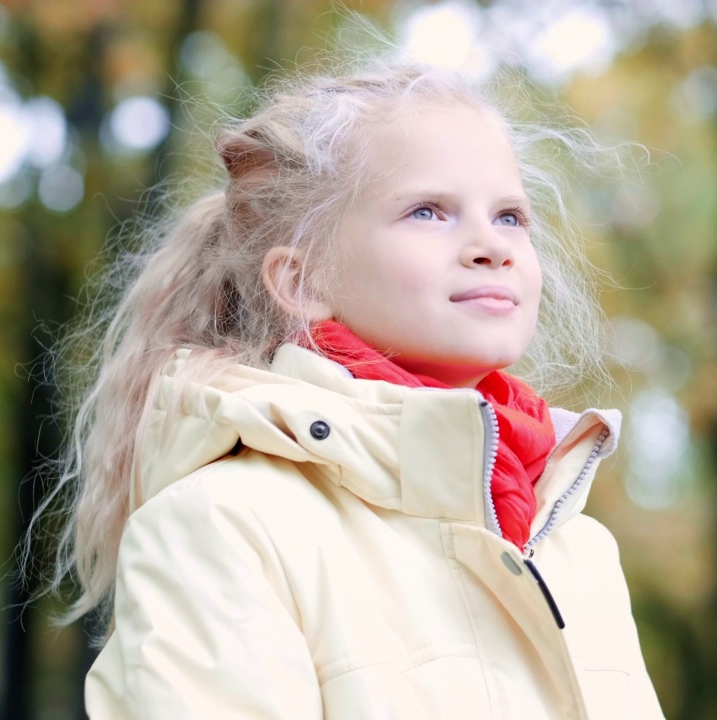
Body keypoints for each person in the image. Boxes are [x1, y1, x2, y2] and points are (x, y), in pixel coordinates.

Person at [51, 55, 663, 718]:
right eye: (429, 212)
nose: (491, 244)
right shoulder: (226, 523)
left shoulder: (576, 544)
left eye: (511, 216)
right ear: (304, 281)